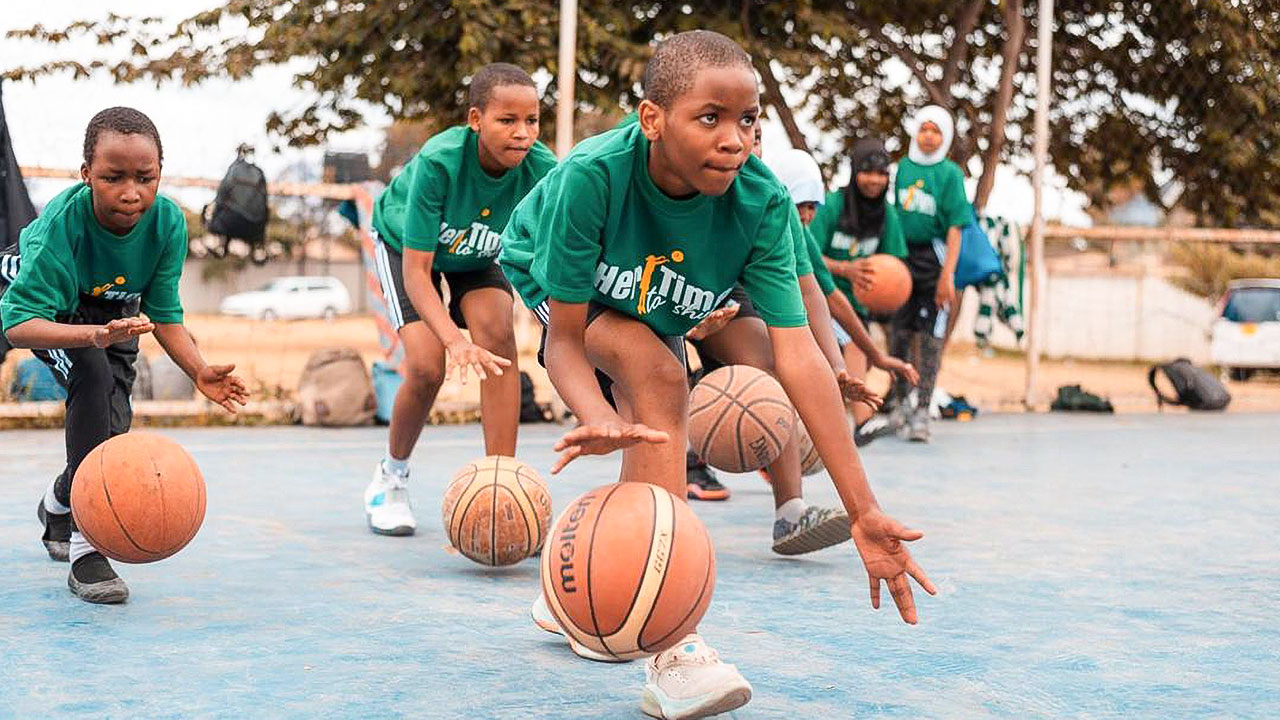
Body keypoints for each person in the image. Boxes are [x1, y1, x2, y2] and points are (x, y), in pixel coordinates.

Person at [500, 31, 934, 719]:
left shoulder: (758, 200)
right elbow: (567, 339)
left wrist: (863, 509)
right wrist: (593, 412)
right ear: (652, 119)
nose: (735, 138)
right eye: (710, 118)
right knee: (660, 379)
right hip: (557, 277)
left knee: (710, 369)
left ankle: (590, 580)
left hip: (656, 288)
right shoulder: (594, 176)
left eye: (748, 119)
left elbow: (798, 354)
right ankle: (674, 649)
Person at [0, 107, 248, 604]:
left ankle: (57, 503)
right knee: (90, 376)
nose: (131, 193)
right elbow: (20, 324)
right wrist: (92, 337)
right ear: (86, 173)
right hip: (37, 301)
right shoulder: (61, 227)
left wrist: (198, 369)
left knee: (113, 427)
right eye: (113, 178)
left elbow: (164, 314)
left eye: (145, 178)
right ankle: (85, 547)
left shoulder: (167, 223)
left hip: (110, 310)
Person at [364, 63, 557, 535]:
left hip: (477, 254)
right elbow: (417, 273)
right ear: (475, 119)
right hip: (406, 249)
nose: (522, 133)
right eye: (506, 120)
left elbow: (551, 261)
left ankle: (502, 488)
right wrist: (453, 340)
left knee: (498, 343)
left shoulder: (544, 171)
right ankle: (391, 476)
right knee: (428, 365)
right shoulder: (440, 162)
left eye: (531, 120)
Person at [808, 138, 917, 444]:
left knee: (859, 358)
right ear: (855, 172)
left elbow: (893, 265)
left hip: (855, 305)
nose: (875, 180)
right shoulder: (831, 205)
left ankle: (843, 420)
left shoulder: (888, 215)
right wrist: (846, 269)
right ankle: (863, 422)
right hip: (819, 296)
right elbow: (807, 256)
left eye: (882, 174)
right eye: (868, 172)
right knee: (857, 347)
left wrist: (886, 288)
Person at [889, 105, 971, 442]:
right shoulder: (901, 169)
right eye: (923, 128)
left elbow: (955, 229)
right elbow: (890, 217)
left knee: (930, 339)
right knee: (899, 334)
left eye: (936, 130)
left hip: (934, 259)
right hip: (900, 257)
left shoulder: (950, 174)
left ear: (946, 136)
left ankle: (923, 411)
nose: (928, 136)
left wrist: (947, 276)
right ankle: (899, 405)